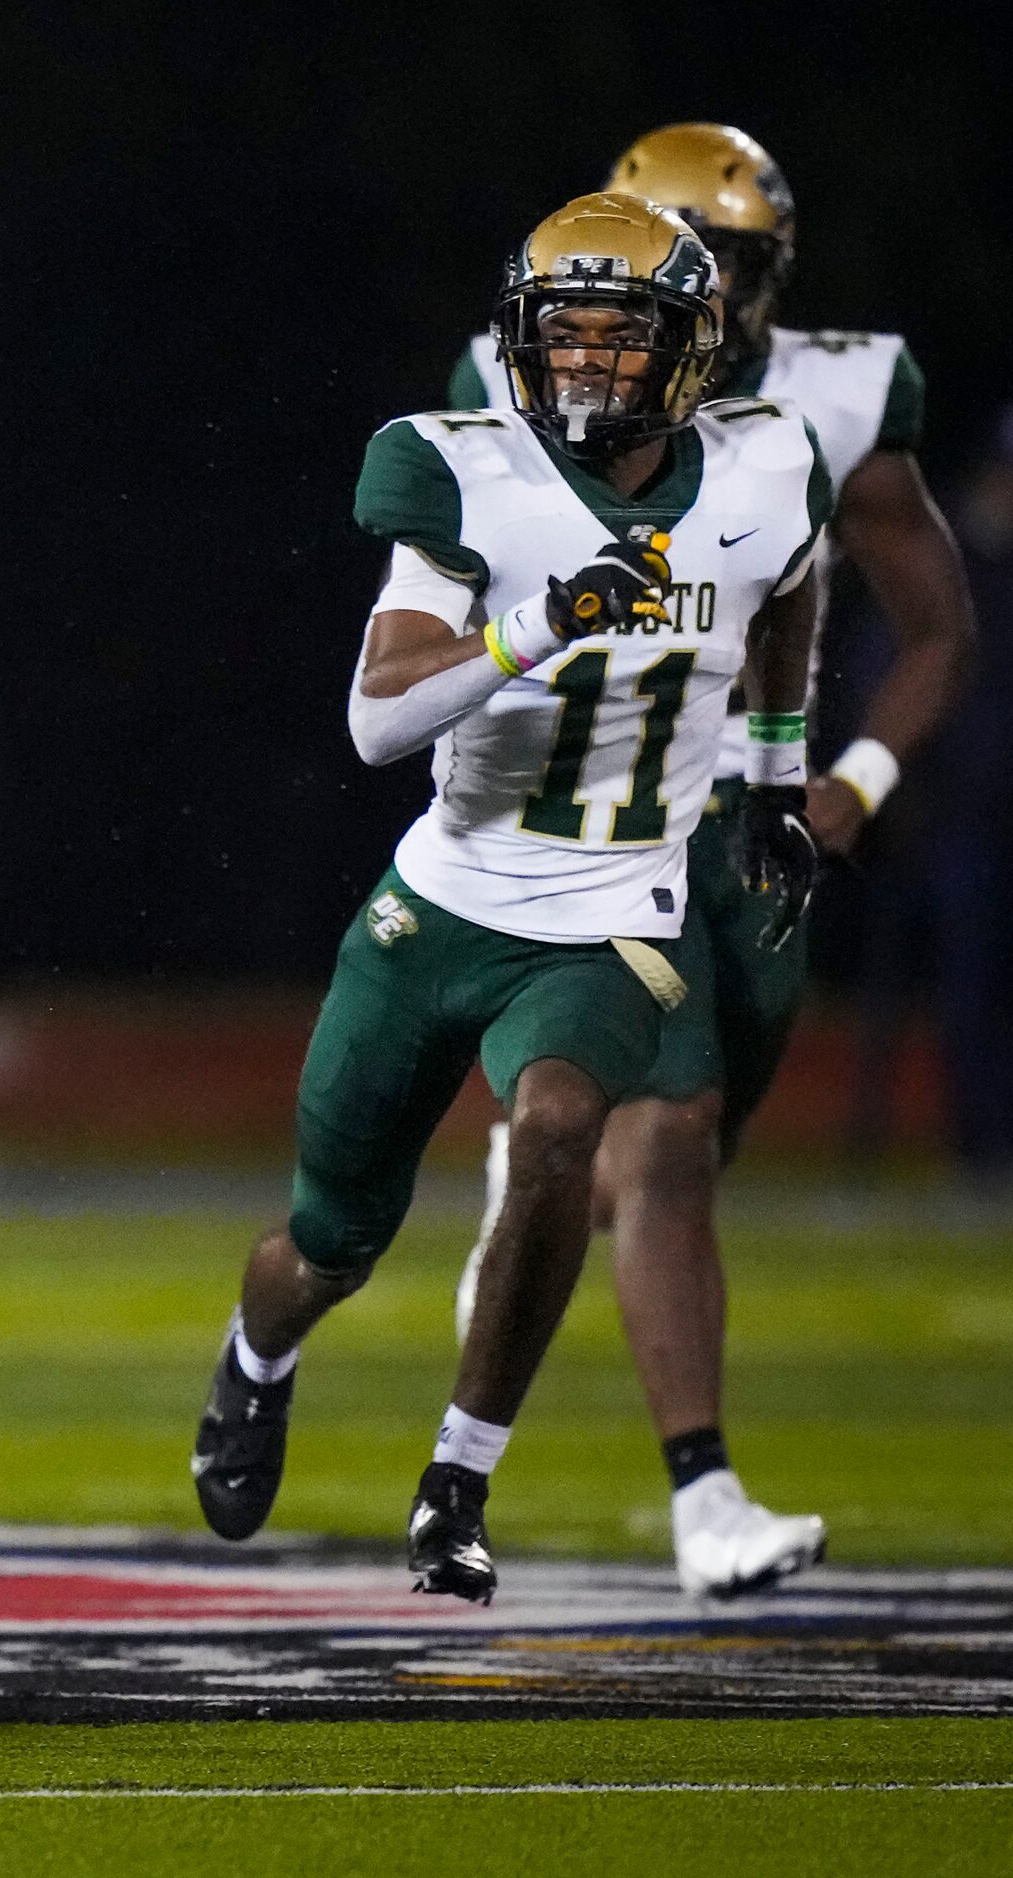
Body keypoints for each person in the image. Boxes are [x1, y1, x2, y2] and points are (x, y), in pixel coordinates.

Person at [192, 195, 826, 1602]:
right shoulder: (463, 474)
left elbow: (790, 580)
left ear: (689, 350)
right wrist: (543, 621)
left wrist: (776, 773)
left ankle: (457, 1480)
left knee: (555, 1123)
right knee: (326, 1241)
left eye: (622, 337)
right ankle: (258, 1358)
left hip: (616, 914)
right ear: (519, 345)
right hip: (442, 905)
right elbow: (375, 723)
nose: (591, 366)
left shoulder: (767, 470)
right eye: (566, 336)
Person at [448, 126, 975, 1594]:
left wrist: (844, 787)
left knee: (672, 1151)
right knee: (663, 1141)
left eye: (748, 267)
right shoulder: (521, 388)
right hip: (600, 820)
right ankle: (704, 1490)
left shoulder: (834, 395)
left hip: (752, 830)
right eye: (707, 261)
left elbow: (934, 623)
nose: (729, 295)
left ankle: (534, 1195)